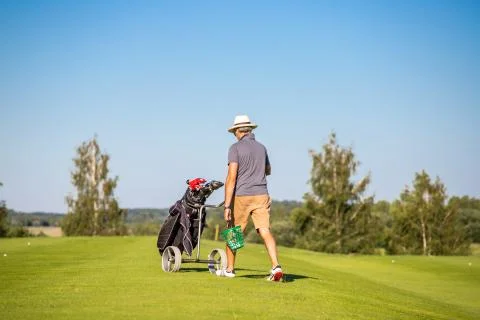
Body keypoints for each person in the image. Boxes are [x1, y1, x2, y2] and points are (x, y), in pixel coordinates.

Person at [216, 115, 283, 281]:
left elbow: (231, 177)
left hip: (243, 195)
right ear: (250, 130)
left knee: (234, 231)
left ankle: (229, 269)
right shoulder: (262, 148)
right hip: (262, 194)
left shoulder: (235, 148)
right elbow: (268, 170)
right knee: (264, 230)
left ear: (239, 131)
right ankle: (276, 266)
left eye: (234, 132)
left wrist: (226, 206)